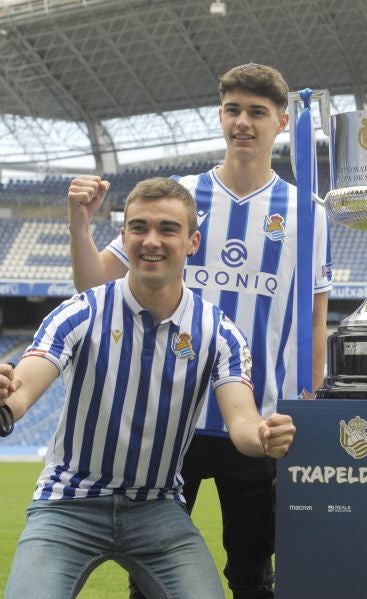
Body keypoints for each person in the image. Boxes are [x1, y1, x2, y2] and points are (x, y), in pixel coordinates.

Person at [67, 63, 332, 599]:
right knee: (149, 579)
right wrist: (80, 222)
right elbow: (94, 284)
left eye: (257, 112)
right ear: (220, 116)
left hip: (256, 423)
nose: (243, 122)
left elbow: (315, 318)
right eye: (233, 110)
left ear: (281, 122)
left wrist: (311, 403)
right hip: (171, 419)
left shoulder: (308, 212)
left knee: (253, 575)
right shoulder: (180, 198)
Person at [0, 178, 296, 599]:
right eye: (138, 228)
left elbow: (243, 420)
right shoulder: (80, 312)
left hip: (158, 508)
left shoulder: (220, 333)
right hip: (69, 504)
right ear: (124, 238)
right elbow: (23, 388)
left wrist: (264, 437)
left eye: (167, 229)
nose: (151, 241)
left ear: (192, 241)